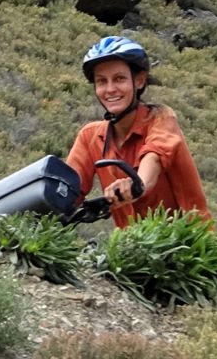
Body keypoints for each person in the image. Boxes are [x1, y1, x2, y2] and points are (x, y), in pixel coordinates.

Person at [64, 35, 209, 227]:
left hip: (188, 241)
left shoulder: (161, 119)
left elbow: (155, 156)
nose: (110, 89)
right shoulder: (90, 137)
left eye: (119, 79)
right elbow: (67, 190)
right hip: (131, 244)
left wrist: (136, 184)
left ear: (139, 81)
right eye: (101, 81)